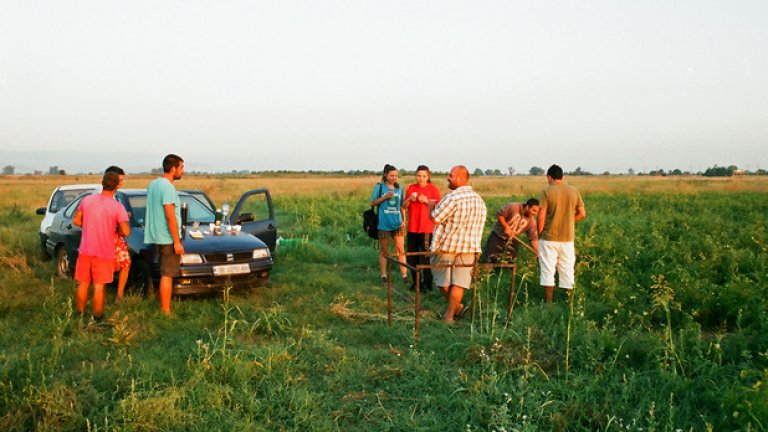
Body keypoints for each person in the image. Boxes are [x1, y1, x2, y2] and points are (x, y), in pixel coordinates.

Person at [428, 165, 487, 323]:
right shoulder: (479, 200)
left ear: (460, 178)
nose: (448, 177)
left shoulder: (452, 197)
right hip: (469, 248)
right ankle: (455, 310)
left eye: (451, 175)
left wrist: (430, 206)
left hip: (447, 247)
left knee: (443, 282)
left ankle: (450, 314)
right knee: (459, 283)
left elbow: (436, 218)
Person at [72, 171, 130, 320]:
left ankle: (79, 313)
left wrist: (91, 225)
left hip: (85, 250)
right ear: (117, 186)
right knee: (99, 286)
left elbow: (77, 221)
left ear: (101, 182)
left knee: (83, 283)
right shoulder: (118, 207)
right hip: (104, 252)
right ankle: (97, 317)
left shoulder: (87, 200)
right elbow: (126, 231)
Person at [537, 164, 586, 303]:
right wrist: (570, 221)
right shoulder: (574, 190)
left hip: (549, 238)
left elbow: (540, 217)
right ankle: (568, 302)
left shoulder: (547, 191)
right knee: (567, 270)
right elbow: (582, 213)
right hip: (568, 239)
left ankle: (548, 304)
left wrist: (540, 233)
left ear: (549, 177)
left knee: (547, 270)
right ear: (562, 177)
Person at [145, 154, 185, 315]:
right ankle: (165, 310)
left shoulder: (153, 184)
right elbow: (170, 214)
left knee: (163, 272)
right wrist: (176, 241)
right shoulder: (168, 187)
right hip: (167, 237)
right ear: (173, 168)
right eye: (181, 167)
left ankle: (164, 306)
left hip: (156, 236)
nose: (182, 171)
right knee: (167, 274)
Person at [402, 165, 441, 291]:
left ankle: (428, 284)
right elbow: (403, 206)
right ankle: (416, 282)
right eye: (419, 176)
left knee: (425, 257)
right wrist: (409, 199)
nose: (421, 178)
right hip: (413, 228)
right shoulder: (411, 188)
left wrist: (426, 201)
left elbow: (439, 207)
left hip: (426, 228)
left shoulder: (433, 189)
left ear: (428, 177)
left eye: (424, 176)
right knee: (412, 256)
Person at [369, 164, 408, 284]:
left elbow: (402, 206)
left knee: (401, 249)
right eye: (391, 175)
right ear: (385, 175)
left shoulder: (399, 188)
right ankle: (383, 275)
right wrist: (385, 197)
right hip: (384, 223)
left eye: (396, 175)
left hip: (397, 223)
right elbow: (372, 203)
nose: (394, 178)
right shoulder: (380, 187)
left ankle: (404, 275)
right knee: (384, 251)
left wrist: (404, 220)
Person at [483, 198, 540, 264]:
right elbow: (500, 215)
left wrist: (537, 252)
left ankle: (508, 273)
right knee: (490, 257)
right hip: (497, 235)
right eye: (534, 210)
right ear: (527, 207)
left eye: (536, 212)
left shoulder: (532, 222)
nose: (535, 213)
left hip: (513, 239)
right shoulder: (513, 207)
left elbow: (534, 239)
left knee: (512, 260)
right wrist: (506, 226)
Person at [104, 165, 130, 301]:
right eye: (120, 179)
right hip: (108, 236)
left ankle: (119, 293)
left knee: (125, 263)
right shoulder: (104, 196)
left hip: (114, 236)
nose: (122, 182)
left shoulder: (115, 197)